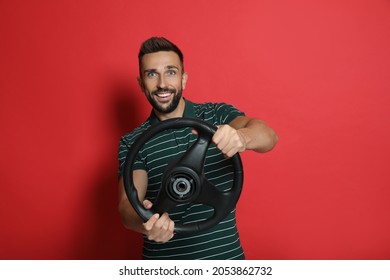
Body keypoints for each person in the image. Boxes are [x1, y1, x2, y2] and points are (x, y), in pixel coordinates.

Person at [117, 37, 278, 260]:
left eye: (171, 72)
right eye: (152, 74)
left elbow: (269, 136)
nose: (162, 83)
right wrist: (145, 223)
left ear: (183, 79)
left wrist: (242, 137)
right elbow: (127, 208)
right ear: (141, 83)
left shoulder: (216, 115)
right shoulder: (133, 141)